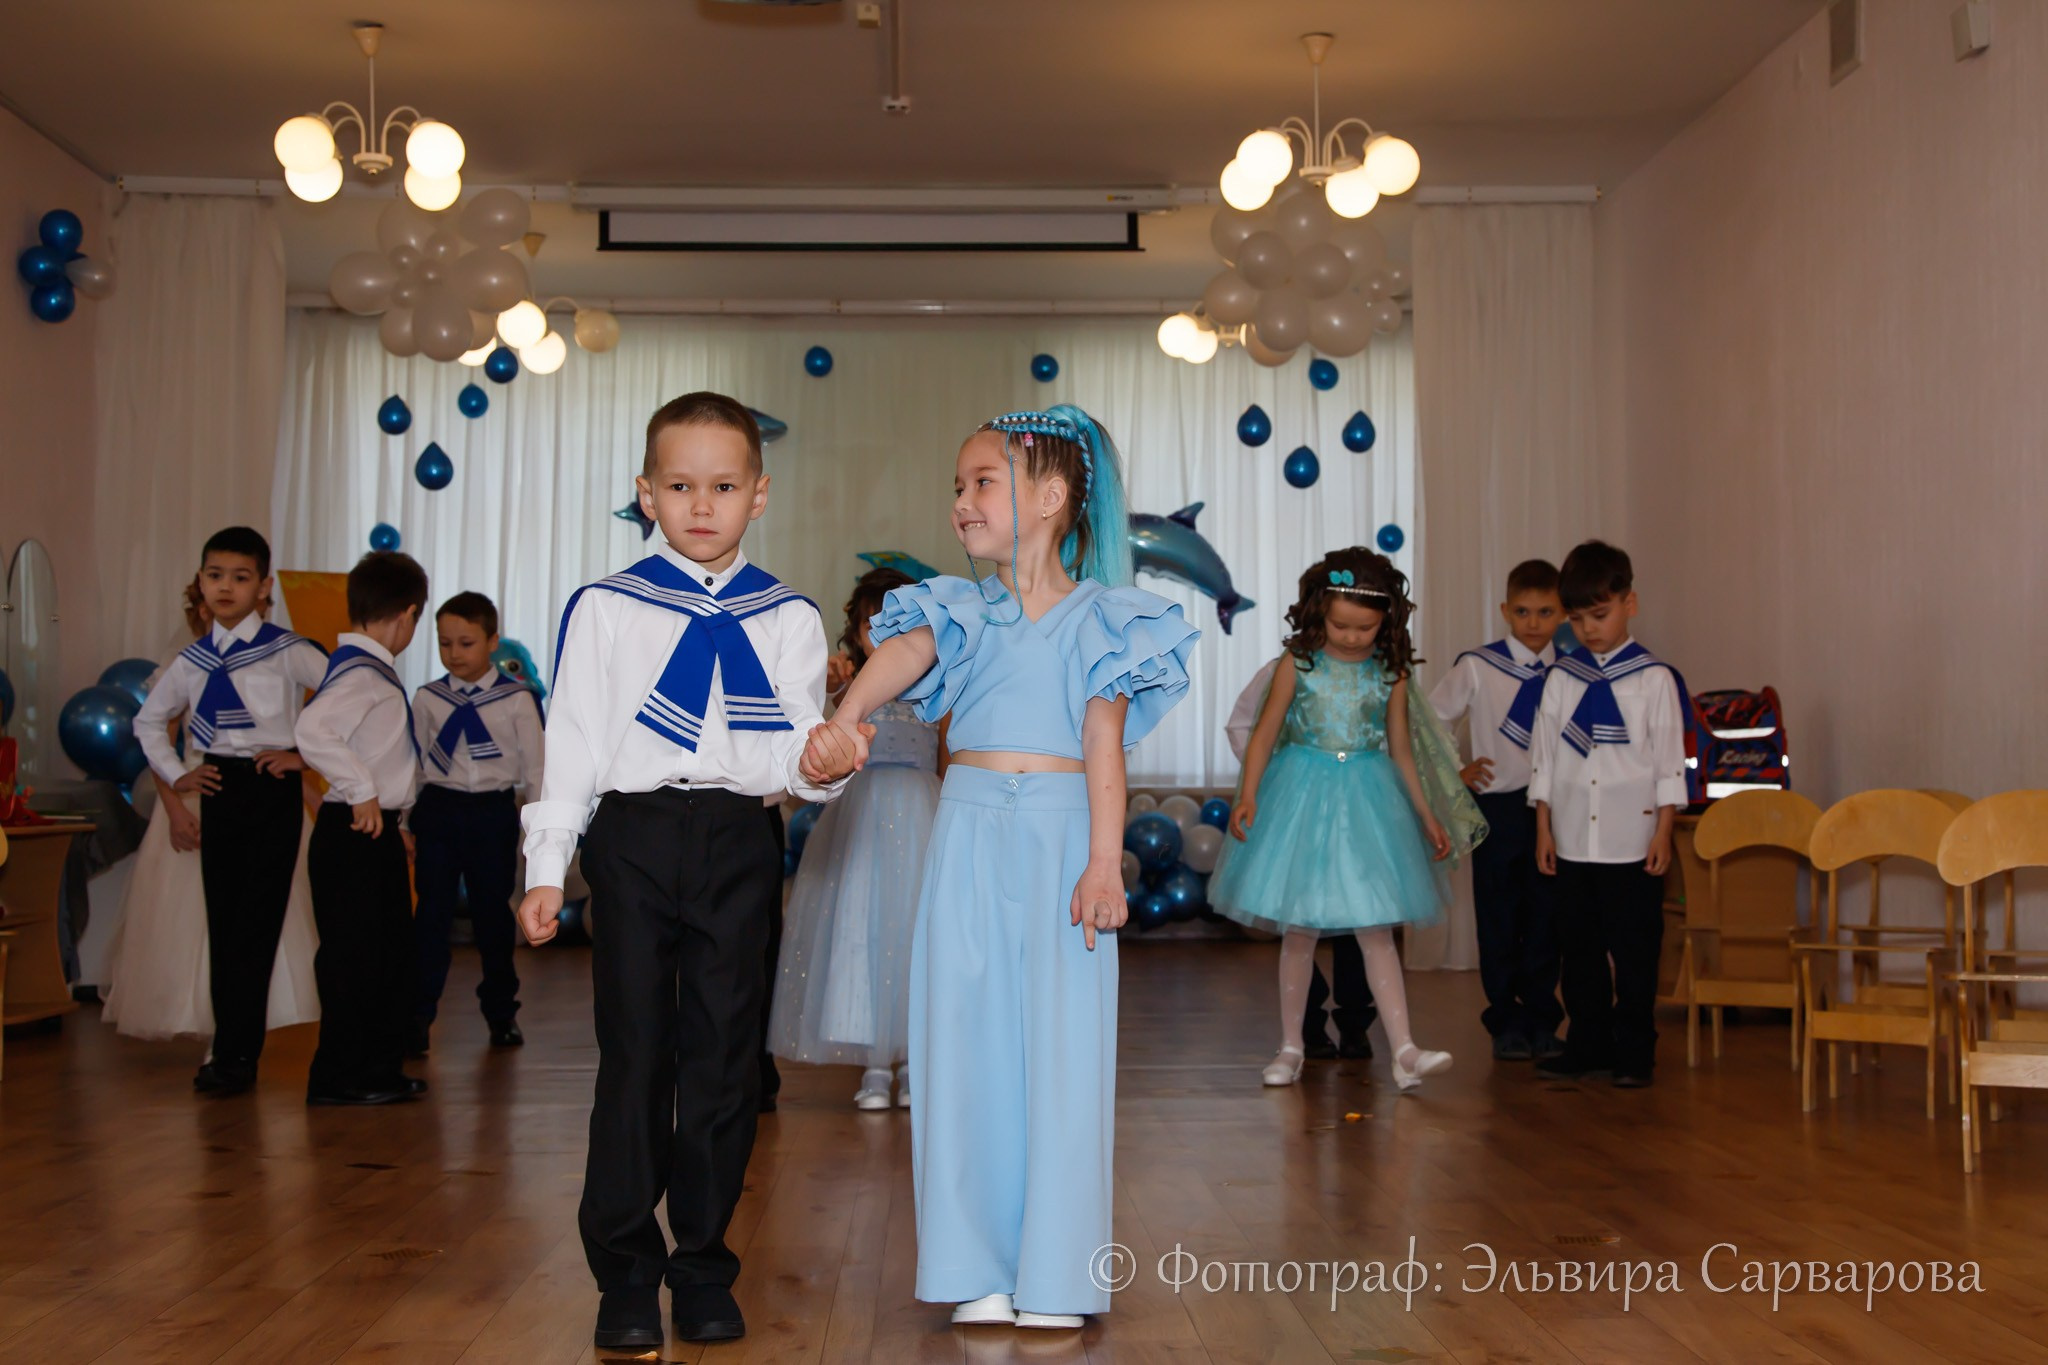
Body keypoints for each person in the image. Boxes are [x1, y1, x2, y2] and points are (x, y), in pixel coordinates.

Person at [815, 405, 1198, 1329]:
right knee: (961, 1044)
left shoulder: (1106, 618)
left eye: (982, 481)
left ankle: (1058, 1276)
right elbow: (901, 653)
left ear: (1053, 496)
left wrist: (1103, 863)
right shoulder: (959, 608)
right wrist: (846, 718)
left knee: (1063, 1053)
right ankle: (974, 1267)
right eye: (957, 485)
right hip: (969, 831)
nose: (962, 501)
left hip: (1065, 838)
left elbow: (1104, 746)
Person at [515, 393, 855, 1352]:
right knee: (635, 1054)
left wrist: (824, 764)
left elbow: (790, 749)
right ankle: (625, 1273)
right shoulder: (607, 607)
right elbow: (573, 742)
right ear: (646, 493)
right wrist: (547, 866)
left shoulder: (788, 616)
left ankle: (703, 1263)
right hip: (632, 835)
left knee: (723, 1058)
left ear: (759, 494)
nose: (702, 505)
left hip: (740, 839)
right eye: (679, 485)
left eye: (723, 486)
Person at [1210, 548, 1485, 1092]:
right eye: (1341, 626)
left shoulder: (1392, 673)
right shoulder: (1298, 664)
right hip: (1302, 795)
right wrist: (1249, 795)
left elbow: (1401, 751)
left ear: (1387, 621)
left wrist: (1426, 814)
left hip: (1367, 798)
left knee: (1376, 928)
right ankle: (1292, 1046)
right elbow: (1263, 735)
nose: (1353, 637)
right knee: (1300, 929)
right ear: (1319, 613)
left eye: (1366, 627)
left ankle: (1404, 1049)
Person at [132, 527, 329, 1094]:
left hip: (271, 790)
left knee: (259, 924)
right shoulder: (192, 660)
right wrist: (177, 774)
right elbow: (148, 721)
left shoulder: (287, 650)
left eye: (240, 578)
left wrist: (303, 757)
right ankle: (228, 1051)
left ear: (263, 587)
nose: (225, 587)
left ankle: (242, 1056)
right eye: (215, 576)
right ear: (200, 581)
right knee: (224, 924)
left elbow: (347, 699)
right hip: (219, 787)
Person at [770, 567, 943, 1109]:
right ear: (856, 631)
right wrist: (825, 686)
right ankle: (873, 1061)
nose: (883, 634)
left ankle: (914, 1058)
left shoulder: (936, 690)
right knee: (860, 925)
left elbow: (947, 758)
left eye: (897, 623)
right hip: (862, 817)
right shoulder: (847, 688)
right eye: (871, 624)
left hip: (921, 812)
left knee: (917, 931)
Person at [1530, 540, 1688, 1089]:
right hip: (1572, 836)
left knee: (1636, 950)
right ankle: (1588, 1043)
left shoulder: (1654, 679)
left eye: (1599, 615)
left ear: (1629, 604)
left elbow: (1669, 763)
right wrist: (1544, 826)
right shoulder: (1562, 678)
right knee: (1579, 950)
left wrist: (1663, 832)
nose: (1588, 629)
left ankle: (1636, 1051)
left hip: (1633, 838)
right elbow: (1545, 758)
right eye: (1577, 619)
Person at [296, 550, 430, 1107]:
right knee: (353, 958)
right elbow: (312, 730)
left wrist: (395, 817)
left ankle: (378, 1068)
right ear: (408, 615)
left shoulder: (367, 670)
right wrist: (362, 790)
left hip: (374, 830)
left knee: (388, 954)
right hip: (351, 830)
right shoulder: (362, 674)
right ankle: (338, 1076)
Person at [1429, 559, 1567, 1061]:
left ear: (1563, 613)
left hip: (1555, 809)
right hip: (1499, 806)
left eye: (1546, 612)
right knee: (1499, 914)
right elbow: (1431, 718)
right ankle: (1505, 1018)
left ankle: (1543, 1019)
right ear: (1506, 610)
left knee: (1547, 917)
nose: (1534, 623)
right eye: (1523, 611)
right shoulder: (1478, 666)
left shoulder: (1570, 671)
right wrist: (1456, 772)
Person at [409, 591, 545, 1055]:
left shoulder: (517, 699)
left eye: (466, 643)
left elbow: (536, 767)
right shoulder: (428, 698)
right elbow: (415, 764)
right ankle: (418, 1017)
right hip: (438, 810)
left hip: (492, 812)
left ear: (492, 642)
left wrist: (539, 829)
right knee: (431, 916)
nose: (454, 654)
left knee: (492, 916)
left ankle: (501, 1012)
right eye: (444, 643)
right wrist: (406, 821)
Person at [1226, 659, 1376, 1058]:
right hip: (1300, 810)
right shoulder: (1283, 669)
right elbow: (1242, 726)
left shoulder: (1373, 669)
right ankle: (1308, 1022)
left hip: (1356, 810)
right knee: (1300, 917)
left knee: (1358, 916)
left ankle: (1356, 1023)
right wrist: (1277, 777)